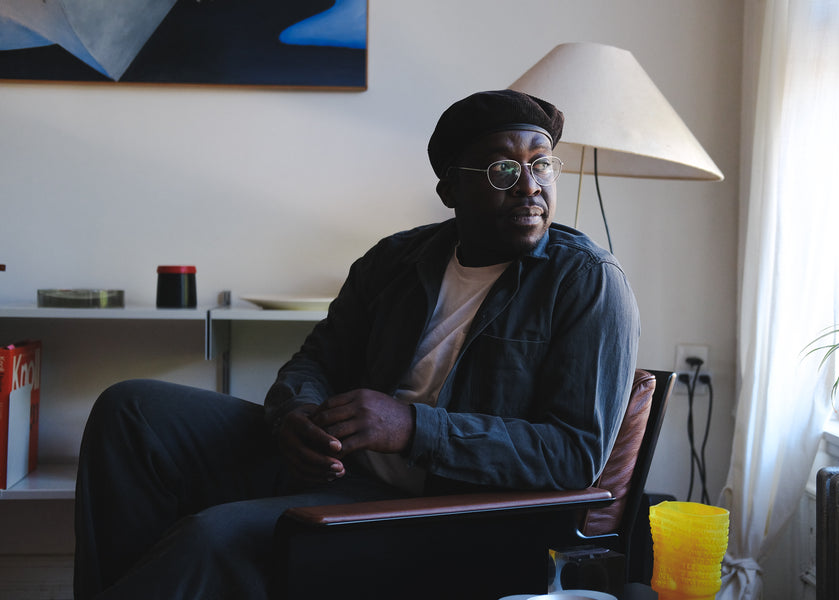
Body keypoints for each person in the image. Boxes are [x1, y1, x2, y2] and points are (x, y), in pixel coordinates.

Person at [73, 89, 640, 599]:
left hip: (443, 507)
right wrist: (293, 413)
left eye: (541, 165)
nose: (529, 184)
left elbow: (573, 454)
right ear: (450, 189)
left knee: (213, 536)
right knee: (133, 410)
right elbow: (316, 361)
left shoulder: (586, 281)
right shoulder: (396, 260)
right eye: (501, 170)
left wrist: (413, 428)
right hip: (341, 466)